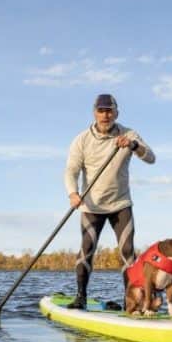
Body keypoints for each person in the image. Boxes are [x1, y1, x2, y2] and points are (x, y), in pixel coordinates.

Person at [63, 93, 155, 309]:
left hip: (120, 205)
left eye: (109, 110)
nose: (105, 115)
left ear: (116, 112)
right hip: (91, 206)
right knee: (87, 250)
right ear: (94, 112)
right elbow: (71, 170)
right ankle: (81, 297)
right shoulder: (82, 140)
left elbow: (151, 158)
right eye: (101, 111)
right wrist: (72, 193)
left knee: (128, 253)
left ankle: (130, 302)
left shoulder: (129, 134)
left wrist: (133, 146)